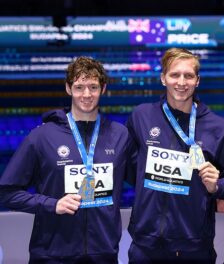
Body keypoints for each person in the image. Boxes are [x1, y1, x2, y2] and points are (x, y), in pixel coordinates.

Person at [0, 56, 135, 263]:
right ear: (68, 88)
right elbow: (6, 193)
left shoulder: (119, 135)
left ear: (103, 89)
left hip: (104, 254)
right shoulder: (42, 137)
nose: (87, 94)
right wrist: (52, 204)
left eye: (93, 87)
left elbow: (143, 179)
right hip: (52, 254)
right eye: (80, 87)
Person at [126, 47, 224, 263]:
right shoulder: (142, 116)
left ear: (198, 80)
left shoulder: (218, 127)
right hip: (146, 244)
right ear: (163, 78)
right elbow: (129, 167)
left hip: (194, 245)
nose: (181, 82)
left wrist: (217, 187)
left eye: (188, 75)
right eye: (175, 74)